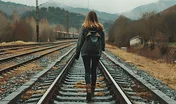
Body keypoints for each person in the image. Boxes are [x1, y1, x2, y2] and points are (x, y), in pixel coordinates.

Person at [75, 11, 105, 102]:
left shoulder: (84, 27)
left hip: (86, 52)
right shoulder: (100, 27)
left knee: (87, 71)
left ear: (87, 17)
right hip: (96, 53)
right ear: (96, 17)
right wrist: (102, 49)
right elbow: (103, 41)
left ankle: (88, 90)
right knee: (94, 71)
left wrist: (77, 52)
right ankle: (92, 91)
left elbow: (80, 40)